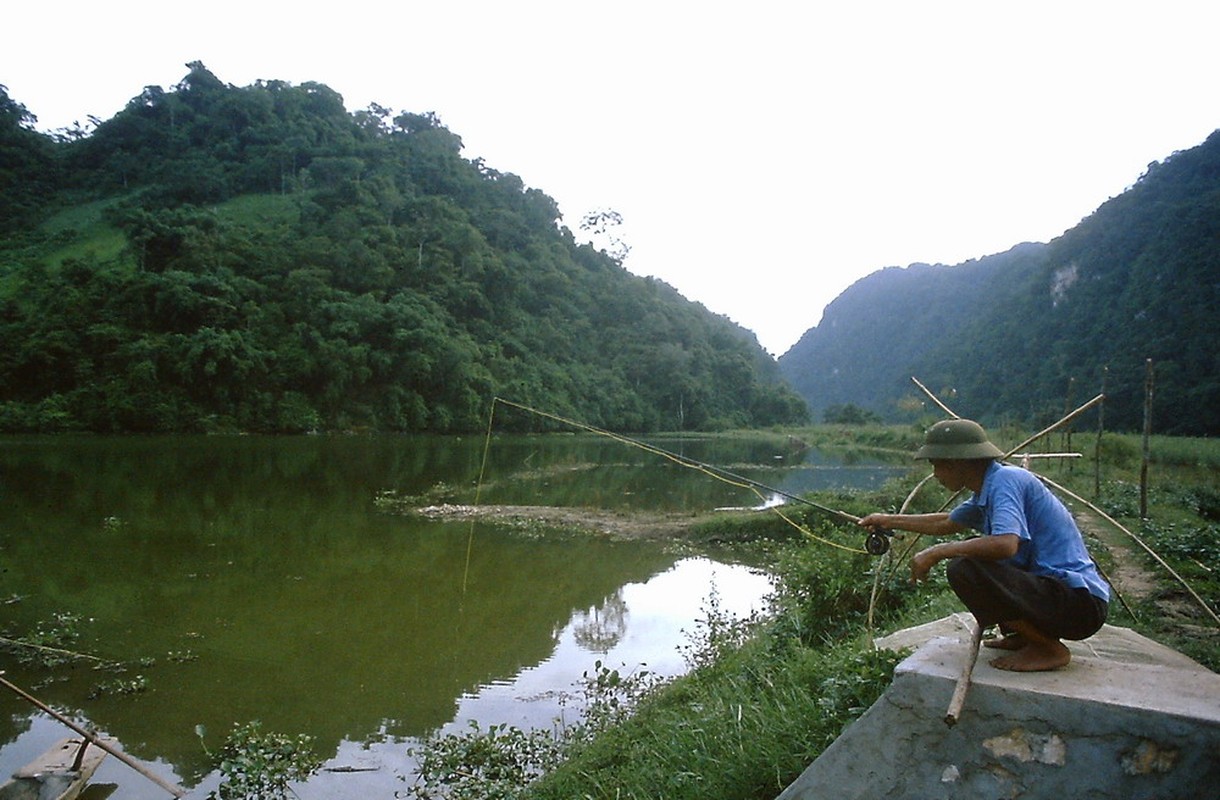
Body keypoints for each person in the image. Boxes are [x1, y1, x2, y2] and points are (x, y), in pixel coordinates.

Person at [858, 418, 1110, 672]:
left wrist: (937, 552)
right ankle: (1026, 636)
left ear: (958, 462)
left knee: (965, 568)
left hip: (1079, 604)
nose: (935, 475)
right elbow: (946, 522)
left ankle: (1048, 648)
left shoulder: (1006, 482)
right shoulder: (986, 490)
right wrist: (888, 520)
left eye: (937, 465)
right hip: (1062, 599)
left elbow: (1005, 545)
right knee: (973, 555)